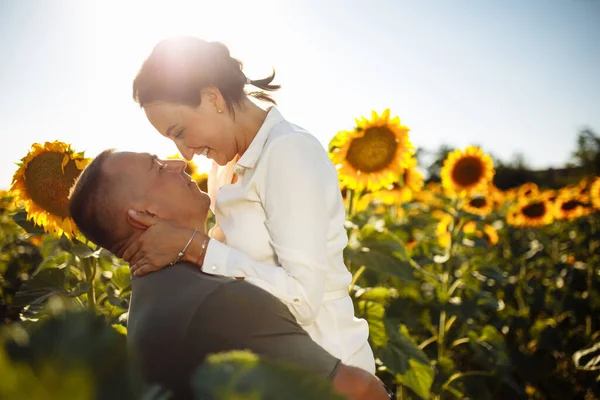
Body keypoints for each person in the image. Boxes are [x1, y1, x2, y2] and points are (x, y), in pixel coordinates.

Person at [121, 36, 375, 374]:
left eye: (180, 131)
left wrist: (195, 247)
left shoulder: (288, 152)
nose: (184, 152)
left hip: (332, 373)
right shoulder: (221, 169)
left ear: (212, 98)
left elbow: (302, 301)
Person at [68, 150, 390, 400]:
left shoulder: (153, 297)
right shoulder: (217, 301)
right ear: (144, 215)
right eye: (157, 166)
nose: (178, 164)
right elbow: (359, 393)